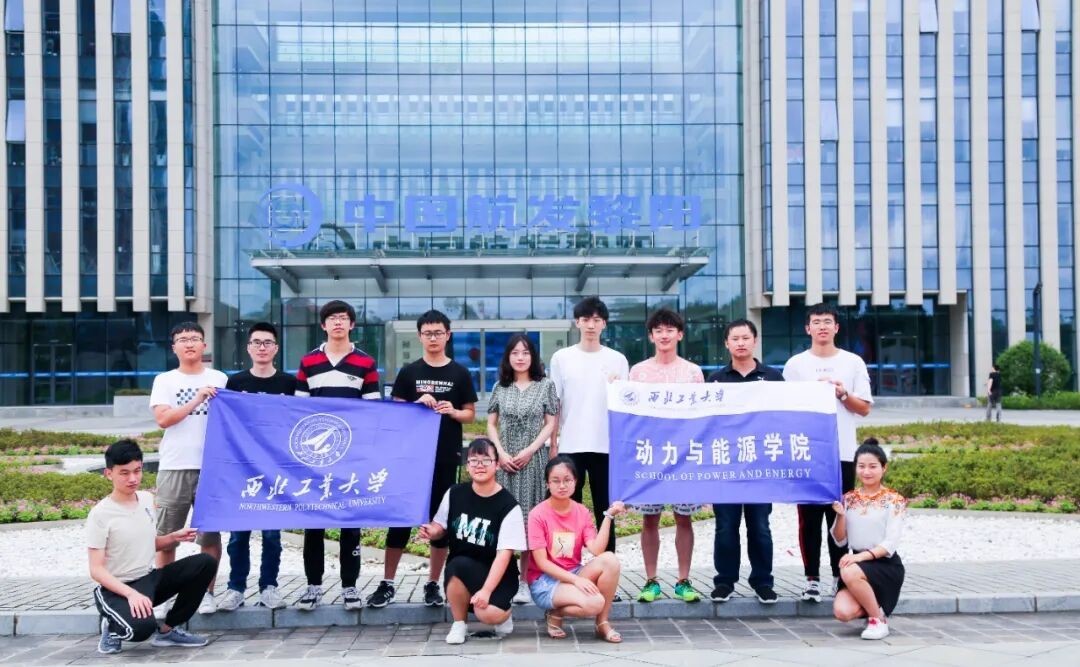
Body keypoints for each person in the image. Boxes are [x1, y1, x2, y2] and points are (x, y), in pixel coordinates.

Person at [372, 309, 478, 609]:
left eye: (438, 333)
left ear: (448, 335)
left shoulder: (459, 373)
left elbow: (470, 414)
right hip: (411, 458)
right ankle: (388, 582)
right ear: (419, 336)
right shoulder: (409, 372)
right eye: (428, 333)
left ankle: (433, 583)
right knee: (401, 520)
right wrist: (417, 404)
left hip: (446, 456)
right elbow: (395, 412)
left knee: (439, 522)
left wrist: (453, 411)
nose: (433, 338)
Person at [89, 440, 217, 654]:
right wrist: (131, 594)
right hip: (117, 589)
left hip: (149, 580)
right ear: (108, 474)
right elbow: (96, 569)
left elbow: (147, 544)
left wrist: (173, 537)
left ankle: (167, 631)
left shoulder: (147, 500)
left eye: (137, 471)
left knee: (205, 563)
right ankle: (111, 625)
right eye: (124, 473)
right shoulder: (100, 514)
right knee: (141, 630)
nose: (133, 479)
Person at [783, 303, 873, 602]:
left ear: (836, 327)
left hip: (842, 453)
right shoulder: (795, 365)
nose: (822, 326)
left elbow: (864, 409)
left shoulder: (853, 363)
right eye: (816, 322)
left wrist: (843, 394)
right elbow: (785, 409)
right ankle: (811, 579)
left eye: (827, 321)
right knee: (808, 519)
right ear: (807, 328)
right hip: (807, 453)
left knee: (841, 517)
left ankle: (840, 576)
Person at [294, 301, 381, 611]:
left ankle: (350, 587)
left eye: (344, 318)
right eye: (332, 318)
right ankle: (313, 586)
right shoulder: (308, 362)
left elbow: (372, 411)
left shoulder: (365, 363)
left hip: (351, 457)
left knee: (350, 523)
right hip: (315, 458)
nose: (338, 323)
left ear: (352, 325)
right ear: (323, 325)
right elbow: (298, 410)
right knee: (314, 523)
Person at [149, 322, 228, 615]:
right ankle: (162, 595)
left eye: (195, 338)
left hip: (212, 467)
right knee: (167, 536)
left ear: (204, 345)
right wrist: (197, 399)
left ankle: (206, 593)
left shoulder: (220, 378)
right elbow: (164, 419)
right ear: (174, 348)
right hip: (175, 465)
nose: (189, 343)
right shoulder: (164, 381)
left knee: (209, 536)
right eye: (183, 339)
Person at [218, 322, 297, 612]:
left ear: (276, 348)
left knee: (272, 535)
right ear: (248, 348)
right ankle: (235, 588)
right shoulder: (235, 383)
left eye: (267, 343)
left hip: (276, 469)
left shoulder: (289, 384)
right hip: (243, 469)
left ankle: (269, 587)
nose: (262, 347)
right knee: (238, 534)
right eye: (256, 342)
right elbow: (226, 425)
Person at [628, 308, 705, 603]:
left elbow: (702, 416)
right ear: (651, 336)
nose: (664, 335)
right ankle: (651, 581)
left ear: (680, 334)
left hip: (684, 455)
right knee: (650, 519)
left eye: (670, 330)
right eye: (658, 330)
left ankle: (683, 580)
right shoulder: (638, 372)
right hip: (651, 455)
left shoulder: (692, 372)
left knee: (684, 518)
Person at [418, 438, 526, 645]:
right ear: (467, 466)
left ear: (497, 465)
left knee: (488, 614)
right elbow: (440, 527)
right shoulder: (454, 493)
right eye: (474, 460)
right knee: (457, 565)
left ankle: (504, 613)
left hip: (499, 573)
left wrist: (486, 591)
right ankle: (459, 623)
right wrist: (432, 531)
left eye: (486, 460)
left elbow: (504, 555)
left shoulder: (509, 505)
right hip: (463, 567)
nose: (479, 465)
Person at [707, 318, 784, 604]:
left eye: (745, 338)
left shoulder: (773, 377)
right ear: (726, 344)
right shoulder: (716, 380)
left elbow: (784, 418)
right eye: (735, 339)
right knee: (725, 527)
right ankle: (724, 582)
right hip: (725, 466)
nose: (740, 343)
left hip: (760, 467)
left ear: (755, 341)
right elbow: (707, 424)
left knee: (760, 527)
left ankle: (763, 582)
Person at [549, 296, 629, 563]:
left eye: (596, 320)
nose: (591, 325)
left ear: (604, 324)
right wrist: (553, 445)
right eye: (586, 320)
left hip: (606, 446)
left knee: (606, 510)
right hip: (571, 445)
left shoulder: (617, 359)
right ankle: (564, 568)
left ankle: (607, 568)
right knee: (565, 508)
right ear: (577, 323)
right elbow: (555, 404)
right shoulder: (562, 358)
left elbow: (625, 406)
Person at [487, 333, 559, 605]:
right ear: (508, 357)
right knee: (503, 520)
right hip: (505, 463)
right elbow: (491, 423)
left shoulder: (545, 385)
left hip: (533, 461)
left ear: (533, 356)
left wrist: (530, 450)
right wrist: (500, 453)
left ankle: (525, 582)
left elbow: (550, 423)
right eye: (515, 353)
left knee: (530, 521)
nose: (520, 357)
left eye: (525, 352)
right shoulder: (500, 387)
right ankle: (502, 578)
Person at [526, 455, 626, 643]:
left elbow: (597, 550)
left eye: (567, 480)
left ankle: (602, 623)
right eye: (556, 481)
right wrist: (576, 581)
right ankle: (555, 613)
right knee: (595, 602)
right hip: (545, 581)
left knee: (610, 560)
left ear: (575, 482)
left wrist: (609, 516)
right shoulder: (537, 515)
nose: (562, 485)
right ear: (547, 484)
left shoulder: (581, 511)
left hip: (573, 573)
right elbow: (542, 563)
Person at [830, 438, 907, 640]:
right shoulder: (848, 498)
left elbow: (890, 544)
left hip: (885, 565)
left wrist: (858, 558)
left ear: (884, 468)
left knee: (848, 569)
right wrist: (841, 515)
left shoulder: (894, 500)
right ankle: (874, 607)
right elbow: (839, 540)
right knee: (842, 612)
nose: (866, 471)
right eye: (861, 466)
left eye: (873, 466)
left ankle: (877, 621)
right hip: (857, 565)